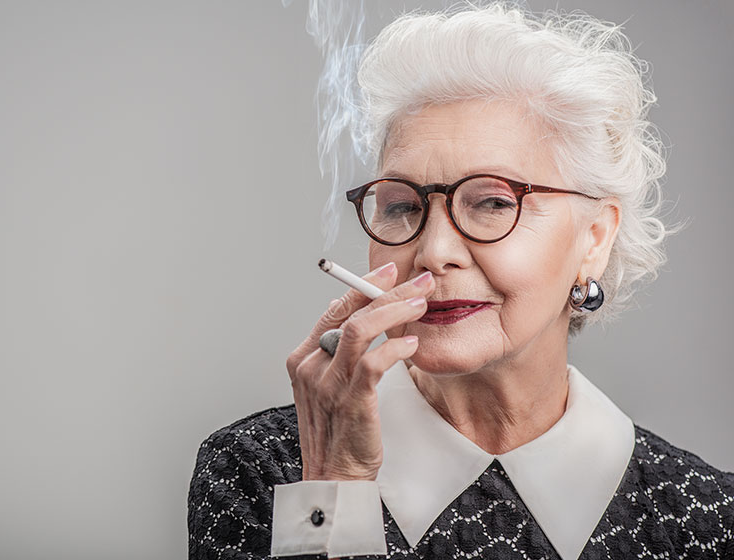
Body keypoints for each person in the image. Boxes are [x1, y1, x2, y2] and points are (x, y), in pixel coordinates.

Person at [188, 4, 734, 559]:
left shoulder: (707, 519)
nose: (433, 252)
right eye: (401, 206)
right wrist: (338, 486)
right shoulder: (267, 472)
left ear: (594, 238)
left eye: (493, 202)